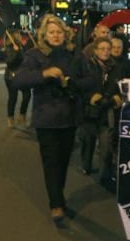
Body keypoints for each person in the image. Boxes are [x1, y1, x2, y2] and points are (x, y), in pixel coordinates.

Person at [12, 14, 93, 222]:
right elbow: (19, 80)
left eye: (59, 32)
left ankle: (58, 196)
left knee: (63, 160)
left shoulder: (75, 54)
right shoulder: (35, 55)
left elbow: (91, 80)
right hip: (46, 118)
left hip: (69, 117)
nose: (56, 36)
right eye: (51, 32)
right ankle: (55, 204)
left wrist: (73, 84)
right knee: (51, 161)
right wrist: (44, 74)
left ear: (65, 34)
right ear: (44, 35)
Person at [79, 37, 124, 193]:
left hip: (107, 111)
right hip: (90, 112)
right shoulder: (88, 66)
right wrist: (91, 97)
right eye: (102, 49)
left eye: (108, 49)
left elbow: (119, 86)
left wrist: (117, 96)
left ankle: (104, 177)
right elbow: (82, 87)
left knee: (106, 145)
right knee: (88, 141)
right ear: (96, 50)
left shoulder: (116, 67)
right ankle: (86, 164)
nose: (105, 52)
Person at [4, 29, 31, 127]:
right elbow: (9, 62)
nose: (20, 36)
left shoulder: (21, 46)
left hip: (22, 75)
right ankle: (10, 118)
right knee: (13, 97)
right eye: (18, 34)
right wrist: (15, 52)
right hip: (11, 76)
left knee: (27, 95)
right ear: (15, 36)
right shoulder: (9, 47)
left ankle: (22, 115)